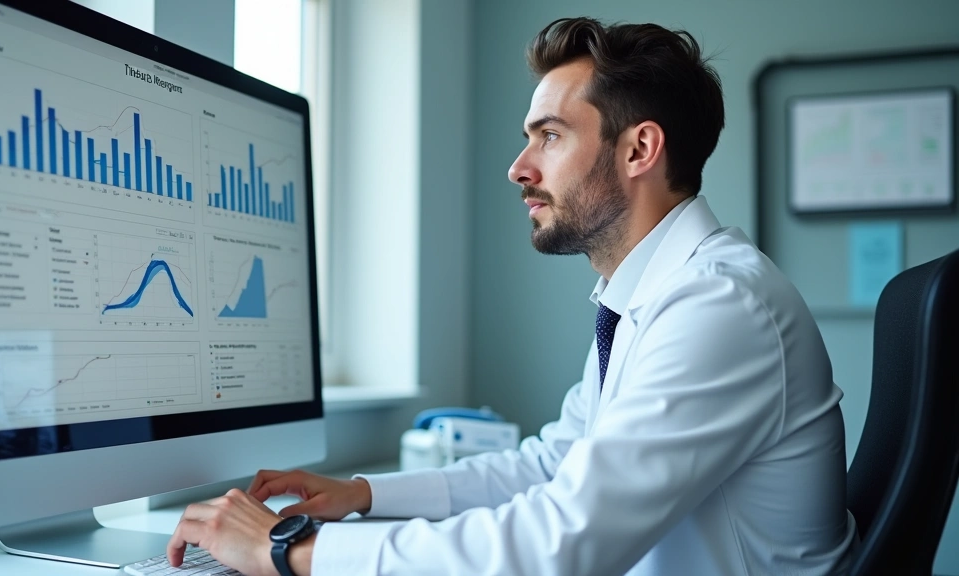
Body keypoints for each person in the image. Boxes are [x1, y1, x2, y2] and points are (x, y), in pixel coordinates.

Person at [166, 17, 859, 576]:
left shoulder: (718, 308)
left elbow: (558, 546)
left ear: (639, 149)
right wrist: (364, 495)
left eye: (549, 136)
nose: (518, 168)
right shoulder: (652, 296)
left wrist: (287, 551)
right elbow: (552, 467)